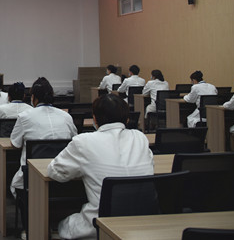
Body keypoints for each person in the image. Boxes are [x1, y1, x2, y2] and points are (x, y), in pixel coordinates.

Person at [47, 94, 154, 240]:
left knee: (62, 225)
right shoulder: (140, 137)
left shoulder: (83, 141)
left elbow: (54, 172)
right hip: (142, 221)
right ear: (127, 119)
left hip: (101, 224)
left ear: (95, 119)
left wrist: (83, 170)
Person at [10, 80, 77, 239]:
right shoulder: (66, 116)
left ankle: (29, 228)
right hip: (64, 173)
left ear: (33, 97)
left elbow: (15, 143)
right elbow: (74, 140)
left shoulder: (25, 116)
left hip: (32, 177)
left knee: (17, 184)